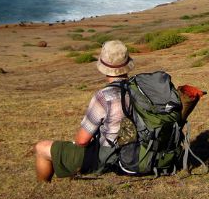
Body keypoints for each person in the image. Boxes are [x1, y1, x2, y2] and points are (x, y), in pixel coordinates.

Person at [34, 39, 134, 182]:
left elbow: (81, 140)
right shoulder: (139, 89)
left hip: (110, 156)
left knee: (41, 148)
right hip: (138, 150)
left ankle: (42, 188)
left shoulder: (104, 96)